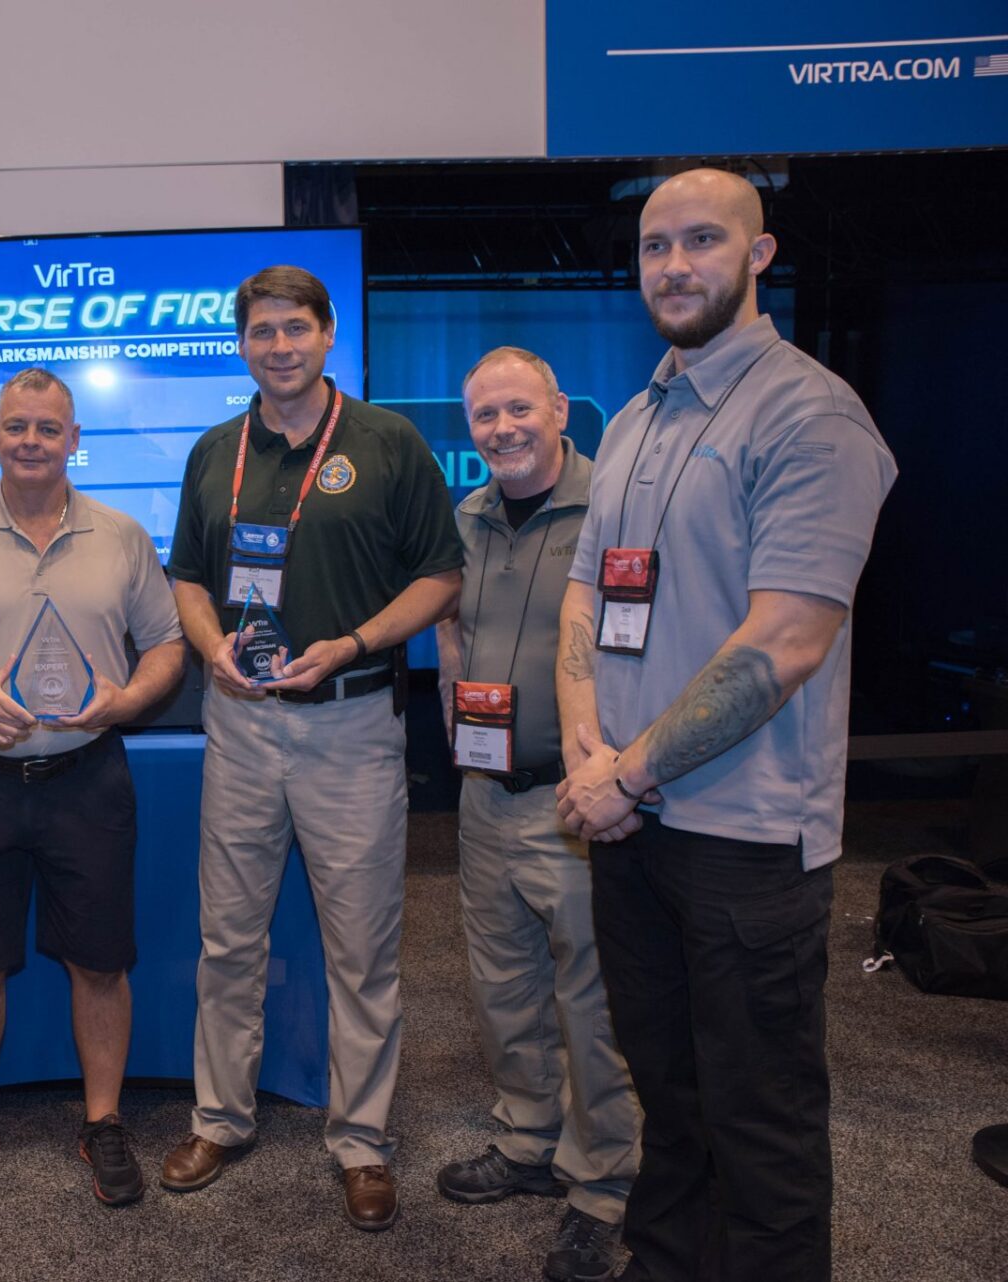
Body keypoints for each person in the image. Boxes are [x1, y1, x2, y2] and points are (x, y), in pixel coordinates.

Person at [554, 168, 896, 1282]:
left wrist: (626, 773)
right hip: (633, 826)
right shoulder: (644, 413)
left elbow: (783, 644)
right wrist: (586, 756)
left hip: (747, 842)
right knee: (673, 1102)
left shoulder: (810, 413)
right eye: (656, 246)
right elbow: (585, 598)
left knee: (762, 1128)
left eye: (704, 240)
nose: (674, 265)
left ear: (759, 254)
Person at [160, 266, 462, 1229]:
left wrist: (358, 641)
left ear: (328, 336)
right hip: (241, 725)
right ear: (241, 343)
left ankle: (362, 1142)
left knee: (363, 947)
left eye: (296, 329)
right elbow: (191, 577)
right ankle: (220, 1118)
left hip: (351, 725)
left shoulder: (386, 442)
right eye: (261, 331)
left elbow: (441, 577)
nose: (279, 346)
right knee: (227, 940)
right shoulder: (216, 451)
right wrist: (209, 647)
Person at [0, 367, 185, 1205]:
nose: (30, 442)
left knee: (101, 962)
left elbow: (166, 644)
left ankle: (103, 1122)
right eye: (16, 426)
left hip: (89, 781)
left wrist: (128, 697)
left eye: (47, 429)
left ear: (74, 439)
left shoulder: (123, 537)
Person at [433, 348, 637, 1282]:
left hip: (573, 796)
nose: (503, 430)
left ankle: (602, 1183)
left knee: (590, 998)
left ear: (559, 409)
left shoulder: (614, 507)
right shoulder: (463, 519)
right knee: (503, 982)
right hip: (484, 794)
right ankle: (527, 1140)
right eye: (484, 417)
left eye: (519, 409)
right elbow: (448, 630)